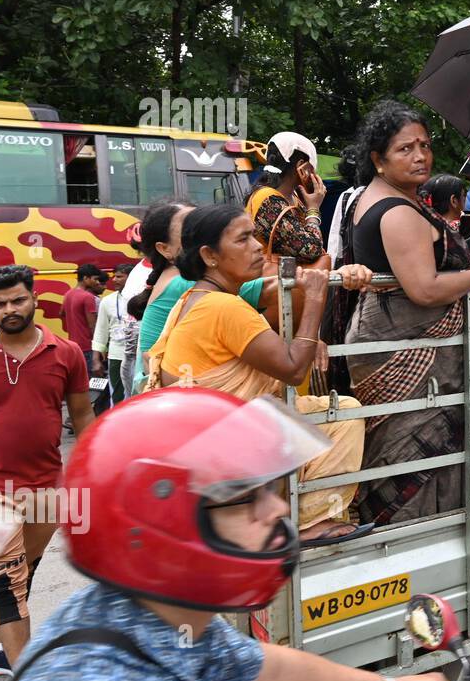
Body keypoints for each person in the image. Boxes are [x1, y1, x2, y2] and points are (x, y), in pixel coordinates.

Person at [12, 388, 442, 681]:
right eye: (243, 497)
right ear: (161, 522)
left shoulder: (169, 619)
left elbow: (266, 668)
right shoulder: (95, 677)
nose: (277, 508)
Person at [146, 204, 373, 545]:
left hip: (206, 441)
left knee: (312, 409)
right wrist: (315, 298)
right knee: (344, 414)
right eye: (243, 239)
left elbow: (274, 321)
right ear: (210, 255)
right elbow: (294, 368)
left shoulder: (198, 299)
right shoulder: (224, 306)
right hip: (225, 445)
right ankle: (315, 521)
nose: (257, 246)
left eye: (254, 236)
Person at [343, 102, 470, 524]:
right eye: (405, 149)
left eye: (425, 145)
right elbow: (424, 288)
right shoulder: (397, 212)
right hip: (407, 348)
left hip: (397, 339)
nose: (420, 156)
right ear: (378, 160)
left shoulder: (381, 198)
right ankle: (414, 547)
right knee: (414, 447)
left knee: (410, 449)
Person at [0, 266, 94, 677]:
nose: (9, 309)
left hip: (46, 486)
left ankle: (1, 649)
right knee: (5, 580)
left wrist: (91, 470)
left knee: (24, 570)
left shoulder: (65, 353)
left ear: (34, 299)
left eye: (17, 300)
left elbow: (82, 415)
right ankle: (27, 669)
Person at [128, 199, 271, 394]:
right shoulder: (191, 284)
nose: (200, 230)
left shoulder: (180, 280)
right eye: (188, 226)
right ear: (164, 249)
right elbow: (277, 289)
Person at [245, 131, 329, 266]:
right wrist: (313, 210)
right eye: (312, 168)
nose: (314, 174)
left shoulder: (293, 197)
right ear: (301, 166)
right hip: (270, 282)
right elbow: (311, 250)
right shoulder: (267, 200)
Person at [90, 262, 135, 408]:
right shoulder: (107, 302)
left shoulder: (145, 298)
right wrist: (96, 360)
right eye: (114, 276)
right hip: (116, 356)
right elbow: (100, 331)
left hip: (139, 356)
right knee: (117, 395)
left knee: (139, 394)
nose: (114, 280)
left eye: (119, 277)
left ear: (132, 277)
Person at [60, 264, 106, 393]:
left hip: (74, 345)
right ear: (86, 278)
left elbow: (62, 313)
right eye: (95, 279)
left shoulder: (69, 294)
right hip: (87, 346)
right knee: (94, 385)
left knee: (79, 383)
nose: (97, 282)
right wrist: (101, 350)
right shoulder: (88, 297)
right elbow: (93, 327)